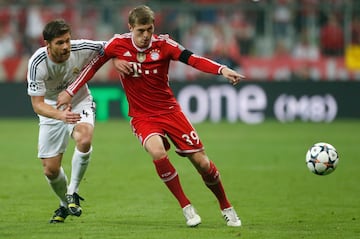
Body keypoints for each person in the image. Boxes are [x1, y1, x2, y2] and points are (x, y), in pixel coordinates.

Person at [57, 5, 244, 227]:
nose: (146, 35)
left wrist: (221, 69)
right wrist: (70, 91)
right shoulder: (117, 44)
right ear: (130, 28)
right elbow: (91, 68)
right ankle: (186, 207)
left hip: (170, 111)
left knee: (201, 162)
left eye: (149, 29)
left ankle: (226, 206)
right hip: (142, 116)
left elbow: (192, 59)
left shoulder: (164, 44)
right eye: (141, 31)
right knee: (157, 152)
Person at [27, 19, 105, 223]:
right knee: (50, 170)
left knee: (84, 139)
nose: (66, 47)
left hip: (79, 100)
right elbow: (37, 104)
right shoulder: (37, 63)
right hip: (52, 108)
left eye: (67, 41)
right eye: (60, 43)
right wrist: (59, 114)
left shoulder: (82, 48)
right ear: (48, 45)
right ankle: (64, 204)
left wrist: (120, 60)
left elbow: (111, 47)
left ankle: (73, 191)